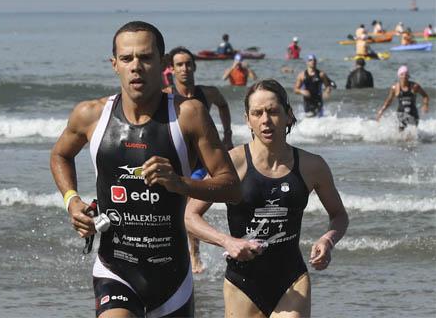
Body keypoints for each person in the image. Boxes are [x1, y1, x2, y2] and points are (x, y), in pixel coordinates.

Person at [50, 21, 242, 318]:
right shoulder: (90, 115)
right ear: (114, 65)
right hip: (115, 269)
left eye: (146, 57)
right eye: (127, 59)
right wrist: (71, 200)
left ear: (162, 63)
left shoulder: (188, 114)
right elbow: (60, 155)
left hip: (173, 279)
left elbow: (231, 186)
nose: (135, 66)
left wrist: (181, 183)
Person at [185, 78, 349, 318]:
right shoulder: (233, 163)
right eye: (257, 113)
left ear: (288, 115)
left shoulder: (313, 166)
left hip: (291, 279)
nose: (265, 120)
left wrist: (328, 240)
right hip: (242, 282)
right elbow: (190, 215)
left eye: (273, 111)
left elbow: (339, 215)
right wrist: (227, 241)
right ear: (247, 120)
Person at [167, 46, 234, 273]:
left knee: (190, 208)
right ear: (172, 69)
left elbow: (223, 105)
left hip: (201, 163)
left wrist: (227, 134)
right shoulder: (166, 96)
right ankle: (177, 251)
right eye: (179, 65)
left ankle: (194, 255)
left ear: (194, 66)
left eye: (188, 64)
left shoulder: (208, 93)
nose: (184, 68)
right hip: (177, 159)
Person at [376, 65, 429, 131]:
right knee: (402, 135)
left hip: (413, 113)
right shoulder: (394, 87)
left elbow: (425, 96)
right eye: (402, 74)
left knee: (413, 136)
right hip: (401, 113)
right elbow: (389, 101)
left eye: (406, 74)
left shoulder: (415, 86)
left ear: (408, 76)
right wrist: (381, 111)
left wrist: (425, 105)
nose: (404, 76)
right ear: (399, 76)